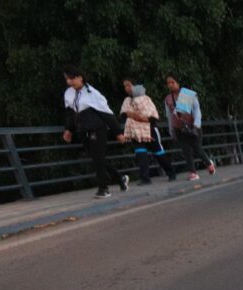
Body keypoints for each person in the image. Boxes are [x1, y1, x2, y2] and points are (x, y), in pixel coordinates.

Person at [61, 66, 129, 199]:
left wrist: (118, 132)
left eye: (72, 78)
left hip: (97, 129)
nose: (69, 81)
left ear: (80, 77)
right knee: (97, 159)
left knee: (98, 159)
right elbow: (70, 114)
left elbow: (107, 114)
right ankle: (120, 178)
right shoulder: (68, 93)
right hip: (83, 131)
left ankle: (103, 188)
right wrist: (69, 129)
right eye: (67, 79)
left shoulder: (93, 93)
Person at [120, 79, 176, 184]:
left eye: (129, 85)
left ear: (136, 86)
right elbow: (123, 115)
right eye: (125, 86)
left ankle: (171, 173)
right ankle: (145, 178)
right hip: (135, 131)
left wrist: (136, 116)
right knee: (140, 153)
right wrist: (131, 115)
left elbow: (153, 116)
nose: (127, 88)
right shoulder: (127, 101)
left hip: (150, 130)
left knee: (158, 152)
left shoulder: (146, 99)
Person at [164, 74, 215, 181]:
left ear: (178, 83)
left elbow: (197, 110)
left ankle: (208, 163)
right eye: (168, 83)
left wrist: (197, 125)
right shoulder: (168, 99)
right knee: (186, 150)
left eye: (172, 82)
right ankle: (193, 172)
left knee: (197, 149)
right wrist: (171, 129)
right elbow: (169, 116)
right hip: (179, 128)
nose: (170, 85)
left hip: (192, 126)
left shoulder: (187, 94)